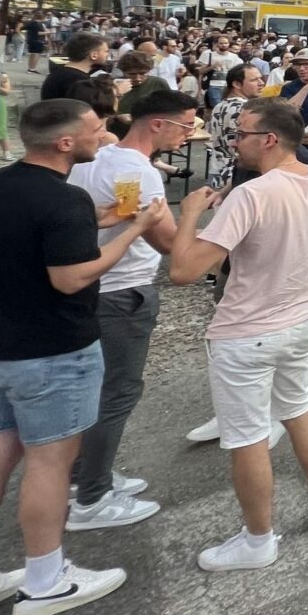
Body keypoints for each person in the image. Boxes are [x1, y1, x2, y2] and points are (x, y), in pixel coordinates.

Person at [0, 101, 167, 615]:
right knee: (49, 465)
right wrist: (135, 229)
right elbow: (71, 277)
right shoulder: (65, 198)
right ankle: (45, 580)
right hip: (51, 352)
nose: (104, 136)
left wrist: (104, 219)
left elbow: (34, 235)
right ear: (65, 143)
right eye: (96, 129)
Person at [167, 99, 308, 571]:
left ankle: (258, 539)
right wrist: (301, 260)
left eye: (242, 134)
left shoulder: (251, 194)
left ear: (270, 139)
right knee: (297, 406)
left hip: (245, 332)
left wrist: (189, 213)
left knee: (248, 436)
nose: (235, 142)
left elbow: (184, 271)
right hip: (300, 320)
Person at [63, 89, 195, 530]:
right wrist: (193, 213)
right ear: (157, 124)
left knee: (93, 388)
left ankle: (84, 475)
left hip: (89, 285)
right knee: (117, 391)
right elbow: (170, 243)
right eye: (185, 126)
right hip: (123, 290)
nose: (188, 135)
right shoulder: (140, 172)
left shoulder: (94, 158)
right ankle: (92, 497)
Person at [40, 32, 107, 103]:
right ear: (94, 55)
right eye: (106, 51)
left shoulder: (57, 73)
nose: (107, 54)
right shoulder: (80, 81)